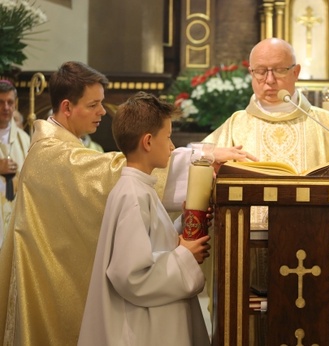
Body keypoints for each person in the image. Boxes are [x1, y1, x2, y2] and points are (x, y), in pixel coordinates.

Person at [0, 61, 254, 345]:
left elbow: (140, 227)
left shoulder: (67, 148)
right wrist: (201, 161)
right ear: (68, 107)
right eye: (94, 104)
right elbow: (118, 171)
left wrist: (183, 221)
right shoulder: (53, 155)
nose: (102, 112)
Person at [203, 37, 329, 345]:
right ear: (250, 72)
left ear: (296, 72)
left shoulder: (324, 124)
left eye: (278, 70)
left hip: (317, 249)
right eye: (260, 71)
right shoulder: (235, 126)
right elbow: (195, 171)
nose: (269, 80)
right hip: (249, 254)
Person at [78, 92, 211, 345]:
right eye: (169, 137)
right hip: (145, 330)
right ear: (148, 142)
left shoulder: (140, 189)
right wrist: (185, 255)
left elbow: (151, 245)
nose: (172, 147)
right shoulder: (134, 194)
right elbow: (132, 275)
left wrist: (186, 224)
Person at [0, 80, 30, 247]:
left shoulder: (24, 139)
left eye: (10, 102)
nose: (6, 107)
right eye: (1, 102)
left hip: (15, 219)